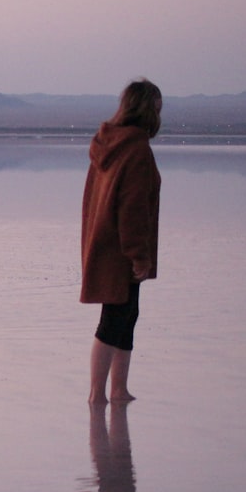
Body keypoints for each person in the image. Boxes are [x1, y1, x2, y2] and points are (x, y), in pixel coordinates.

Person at [80, 79, 162, 404]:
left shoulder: (110, 143)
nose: (159, 116)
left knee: (127, 316)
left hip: (103, 243)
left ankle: (117, 389)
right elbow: (132, 208)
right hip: (120, 250)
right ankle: (97, 393)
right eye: (157, 109)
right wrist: (138, 255)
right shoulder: (136, 149)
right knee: (114, 320)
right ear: (146, 110)